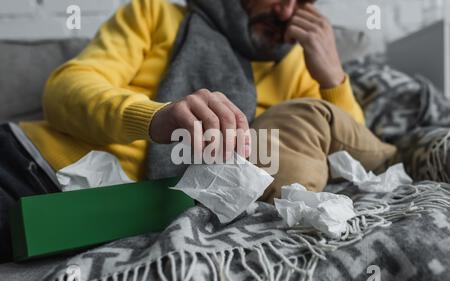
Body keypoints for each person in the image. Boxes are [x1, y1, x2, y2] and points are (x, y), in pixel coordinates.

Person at [0, 0, 397, 261]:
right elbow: (67, 89)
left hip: (125, 218)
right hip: (32, 166)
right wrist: (155, 118)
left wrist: (332, 76)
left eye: (304, 1)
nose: (287, 10)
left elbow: (352, 162)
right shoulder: (153, 14)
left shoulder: (297, 66)